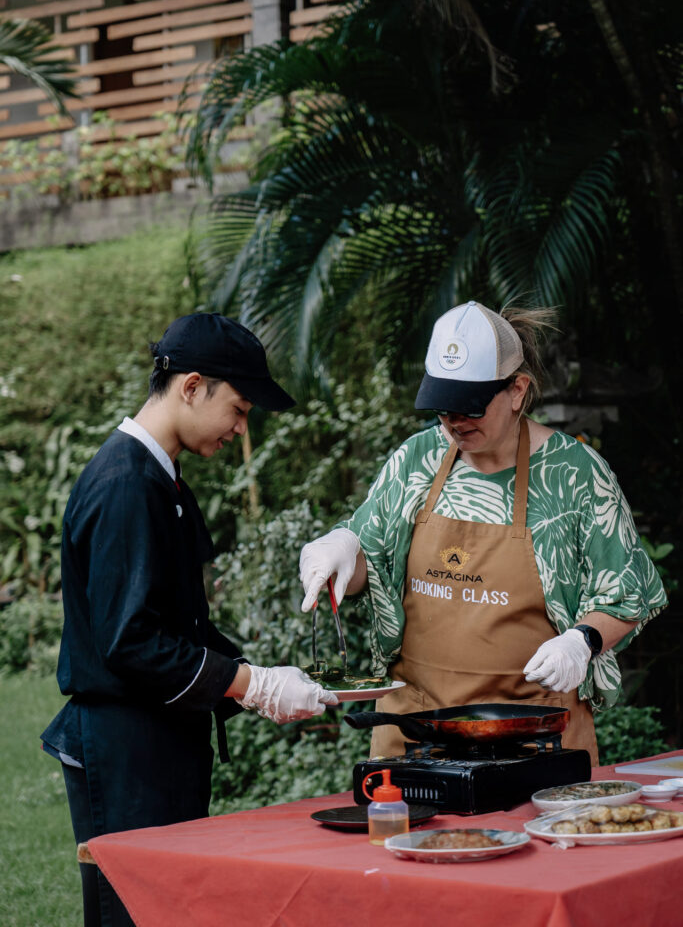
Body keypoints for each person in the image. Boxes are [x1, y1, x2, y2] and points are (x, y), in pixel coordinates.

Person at [41, 313, 337, 927]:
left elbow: (180, 625)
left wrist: (264, 681)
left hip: (163, 740)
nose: (239, 426)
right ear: (193, 386)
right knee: (132, 911)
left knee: (172, 908)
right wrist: (250, 685)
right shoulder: (124, 482)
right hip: (125, 748)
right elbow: (132, 643)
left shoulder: (163, 477)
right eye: (239, 408)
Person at [299, 300, 667, 762]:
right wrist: (342, 551)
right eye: (442, 406)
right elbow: (367, 566)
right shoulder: (417, 460)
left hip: (534, 732)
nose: (454, 421)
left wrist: (583, 641)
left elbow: (627, 595)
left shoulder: (574, 474)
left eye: (469, 406)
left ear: (517, 390)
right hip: (415, 731)